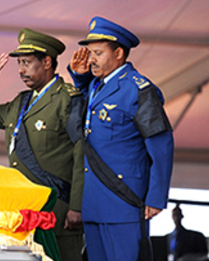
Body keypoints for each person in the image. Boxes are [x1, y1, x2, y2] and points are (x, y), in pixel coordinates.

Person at [0, 29, 84, 261]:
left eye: (27, 63)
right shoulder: (21, 101)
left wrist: (77, 205)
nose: (21, 70)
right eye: (19, 63)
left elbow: (81, 153)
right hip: (24, 209)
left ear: (47, 62)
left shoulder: (68, 99)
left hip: (58, 208)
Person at [68, 16, 174, 261]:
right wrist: (80, 79)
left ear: (118, 53)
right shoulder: (96, 86)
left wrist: (156, 197)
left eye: (98, 53)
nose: (91, 58)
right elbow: (84, 117)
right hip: (94, 201)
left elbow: (161, 144)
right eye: (90, 52)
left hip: (124, 201)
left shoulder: (139, 90)